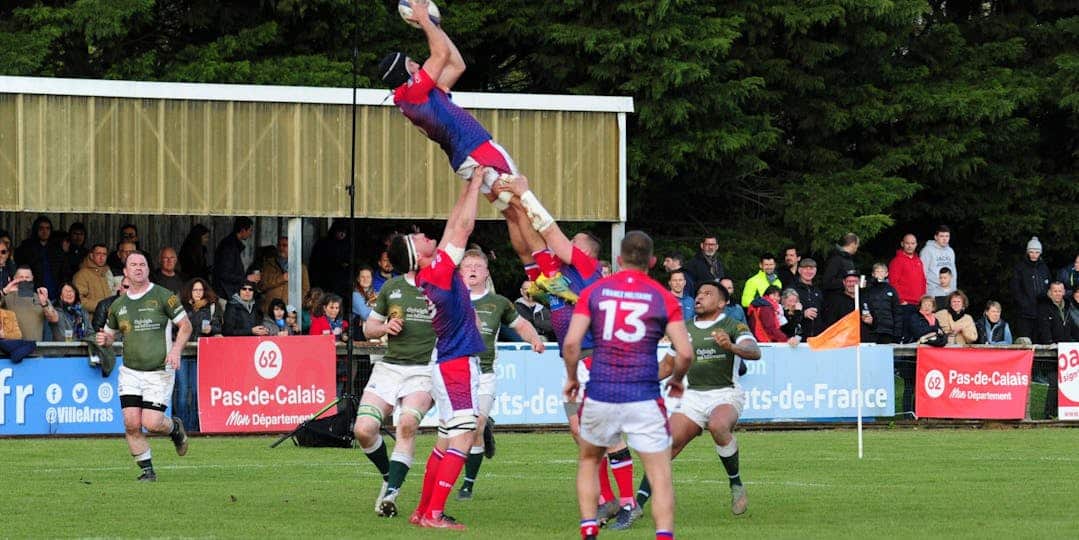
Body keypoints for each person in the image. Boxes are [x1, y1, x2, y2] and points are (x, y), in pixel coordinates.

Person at [493, 174, 637, 526]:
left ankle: (629, 502)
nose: (564, 243)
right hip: (574, 363)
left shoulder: (587, 269)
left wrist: (525, 195)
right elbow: (526, 246)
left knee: (604, 432)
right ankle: (608, 500)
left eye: (573, 241)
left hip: (596, 359)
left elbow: (548, 232)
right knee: (580, 431)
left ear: (585, 251)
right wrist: (510, 210)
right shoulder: (554, 272)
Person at [562, 230, 693, 540]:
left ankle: (589, 528)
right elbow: (684, 352)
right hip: (643, 396)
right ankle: (663, 535)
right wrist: (676, 380)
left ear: (619, 260)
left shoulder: (595, 291)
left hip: (602, 393)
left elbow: (571, 344)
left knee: (590, 459)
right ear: (653, 261)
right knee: (659, 475)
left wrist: (570, 377)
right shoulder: (661, 295)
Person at [383, 167, 487, 530]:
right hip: (457, 363)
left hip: (446, 361)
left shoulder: (432, 270)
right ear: (416, 253)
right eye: (418, 237)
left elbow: (452, 228)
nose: (425, 235)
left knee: (445, 439)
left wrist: (468, 185)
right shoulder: (439, 270)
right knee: (462, 436)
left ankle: (422, 511)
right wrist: (476, 183)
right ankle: (435, 515)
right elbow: (463, 229)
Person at [632, 280, 761, 522]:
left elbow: (755, 351)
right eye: (699, 293)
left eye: (707, 293)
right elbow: (668, 366)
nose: (700, 297)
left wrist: (731, 346)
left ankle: (736, 484)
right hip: (692, 397)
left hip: (725, 393)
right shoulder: (684, 329)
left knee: (718, 425)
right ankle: (637, 505)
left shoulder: (734, 325)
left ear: (722, 303)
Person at [378, 2, 519, 198]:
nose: (417, 64)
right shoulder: (413, 92)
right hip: (475, 149)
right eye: (411, 63)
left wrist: (437, 27)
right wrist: (425, 19)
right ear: (404, 72)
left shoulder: (417, 97)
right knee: (521, 201)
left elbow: (456, 66)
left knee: (513, 212)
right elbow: (441, 53)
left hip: (468, 154)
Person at [455, 249, 545, 500]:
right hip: (453, 373)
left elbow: (521, 325)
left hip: (484, 373)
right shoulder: (449, 299)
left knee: (475, 426)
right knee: (453, 431)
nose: (472, 269)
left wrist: (535, 340)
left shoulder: (498, 303)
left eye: (477, 266)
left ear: (486, 272)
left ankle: (467, 485)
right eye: (468, 265)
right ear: (460, 272)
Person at [95, 251, 192, 481]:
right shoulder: (118, 305)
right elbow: (109, 335)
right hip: (130, 372)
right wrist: (104, 340)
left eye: (143, 264)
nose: (138, 268)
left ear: (148, 269)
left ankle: (175, 429)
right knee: (131, 423)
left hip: (159, 371)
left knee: (152, 423)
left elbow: (185, 326)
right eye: (133, 265)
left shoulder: (163, 296)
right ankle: (147, 471)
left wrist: (176, 350)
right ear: (125, 273)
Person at [354, 259, 437, 520]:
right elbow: (369, 329)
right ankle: (389, 476)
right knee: (363, 430)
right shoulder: (392, 287)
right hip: (389, 367)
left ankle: (391, 493)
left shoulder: (443, 288)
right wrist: (385, 327)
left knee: (407, 423)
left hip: (424, 369)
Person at [1034, 282, 1077, 418]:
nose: (1058, 293)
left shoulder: (1069, 307)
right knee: (1053, 382)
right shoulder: (1043, 308)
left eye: (1060, 291)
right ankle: (1048, 414)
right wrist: (1049, 343)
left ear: (1064, 292)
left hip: (1067, 352)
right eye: (1055, 291)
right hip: (1051, 351)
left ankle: (1064, 412)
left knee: (1068, 383)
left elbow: (1071, 329)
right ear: (1050, 293)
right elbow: (1043, 328)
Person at [15, 215, 68, 299]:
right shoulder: (26, 247)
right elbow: (22, 272)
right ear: (36, 229)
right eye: (41, 228)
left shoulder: (57, 249)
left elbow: (63, 273)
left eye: (48, 228)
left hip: (55, 294)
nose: (45, 231)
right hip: (32, 295)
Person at [1010, 236, 1051, 341]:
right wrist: (1024, 303)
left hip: (1041, 311)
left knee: (1040, 340)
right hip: (1024, 312)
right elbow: (1015, 288)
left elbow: (1048, 286)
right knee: (1025, 341)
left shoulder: (1044, 268)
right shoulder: (1020, 267)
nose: (1034, 255)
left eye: (1037, 252)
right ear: (1027, 252)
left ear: (1040, 253)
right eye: (1031, 252)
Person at [888, 233, 926, 343]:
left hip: (918, 304)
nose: (910, 246)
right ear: (902, 244)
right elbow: (893, 282)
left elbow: (922, 280)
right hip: (905, 304)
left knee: (916, 335)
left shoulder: (918, 260)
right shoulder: (897, 261)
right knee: (904, 335)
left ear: (916, 244)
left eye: (912, 243)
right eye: (907, 243)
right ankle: (901, 360)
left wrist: (923, 299)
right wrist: (900, 300)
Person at [260, 235, 310, 312]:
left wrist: (296, 305)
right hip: (270, 309)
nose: (281, 248)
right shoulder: (268, 264)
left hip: (290, 311)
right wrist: (281, 278)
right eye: (279, 245)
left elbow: (305, 290)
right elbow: (262, 285)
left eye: (285, 245)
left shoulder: (301, 268)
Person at [0, 266, 51, 341]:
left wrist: (44, 304)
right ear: (14, 278)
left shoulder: (40, 296)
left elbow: (54, 318)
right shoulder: (6, 296)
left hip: (36, 349)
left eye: (27, 277)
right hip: (11, 349)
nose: (24, 280)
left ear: (32, 278)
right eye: (21, 277)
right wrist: (4, 291)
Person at [309, 221, 352, 302]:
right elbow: (315, 265)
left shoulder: (348, 244)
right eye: (339, 231)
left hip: (343, 285)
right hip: (324, 282)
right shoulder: (323, 244)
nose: (342, 234)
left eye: (344, 231)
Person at [213, 217, 254, 300]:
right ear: (243, 230)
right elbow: (224, 274)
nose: (251, 233)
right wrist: (246, 278)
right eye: (250, 230)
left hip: (227, 292)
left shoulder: (232, 244)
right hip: (225, 293)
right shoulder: (229, 246)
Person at [862, 263, 900, 344]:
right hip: (872, 330)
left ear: (886, 274)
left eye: (882, 271)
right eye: (877, 271)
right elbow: (863, 305)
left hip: (887, 330)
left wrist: (897, 332)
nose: (879, 273)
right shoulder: (867, 289)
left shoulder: (891, 289)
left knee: (885, 353)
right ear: (873, 274)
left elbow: (897, 311)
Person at [73, 243, 113, 313]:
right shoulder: (82, 275)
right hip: (91, 320)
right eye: (98, 254)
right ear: (91, 256)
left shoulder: (106, 272)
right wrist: (102, 306)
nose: (101, 257)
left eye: (104, 254)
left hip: (107, 319)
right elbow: (78, 300)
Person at [820, 233, 859, 302]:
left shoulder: (848, 259)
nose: (857, 248)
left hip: (847, 300)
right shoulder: (835, 258)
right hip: (835, 302)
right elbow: (827, 282)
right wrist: (849, 282)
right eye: (857, 245)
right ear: (853, 244)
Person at [790, 258, 823, 337]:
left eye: (811, 268)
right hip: (797, 341)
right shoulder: (792, 289)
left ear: (815, 271)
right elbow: (785, 313)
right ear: (799, 270)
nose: (809, 271)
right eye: (805, 268)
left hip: (817, 339)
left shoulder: (818, 291)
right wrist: (803, 314)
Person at [921, 225, 957, 297]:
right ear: (936, 237)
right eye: (942, 236)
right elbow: (922, 273)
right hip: (933, 292)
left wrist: (954, 290)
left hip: (949, 292)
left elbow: (953, 272)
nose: (945, 239)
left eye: (947, 236)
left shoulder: (950, 251)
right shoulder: (927, 250)